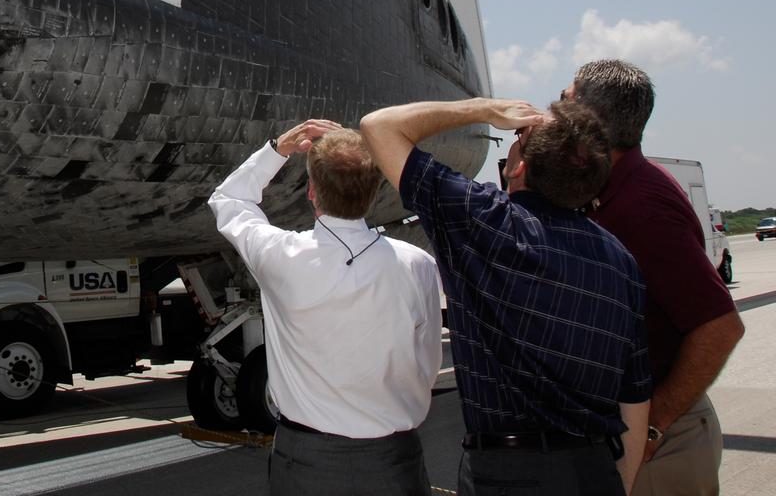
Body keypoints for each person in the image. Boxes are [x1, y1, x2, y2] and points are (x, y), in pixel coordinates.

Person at [360, 98, 652, 496]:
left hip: (506, 473)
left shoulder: (486, 220)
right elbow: (634, 397)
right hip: (593, 469)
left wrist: (483, 109)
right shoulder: (621, 261)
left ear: (518, 167)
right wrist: (618, 483)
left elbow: (379, 126)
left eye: (519, 136)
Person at [209, 119, 441, 495]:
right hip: (393, 461)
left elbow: (229, 200)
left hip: (306, 461)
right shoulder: (417, 265)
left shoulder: (282, 256)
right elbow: (426, 365)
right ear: (374, 190)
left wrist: (279, 148)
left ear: (312, 192)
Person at [565, 59, 744, 496]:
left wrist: (652, 427)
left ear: (590, 120)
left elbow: (720, 327)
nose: (556, 107)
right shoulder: (609, 194)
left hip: (659, 443)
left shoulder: (641, 207)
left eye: (566, 98)